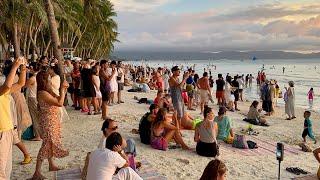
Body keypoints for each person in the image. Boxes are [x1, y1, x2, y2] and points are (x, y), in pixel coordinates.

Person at [31, 71, 69, 179]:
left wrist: (64, 89)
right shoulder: (42, 93)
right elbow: (59, 103)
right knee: (46, 144)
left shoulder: (48, 91)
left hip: (53, 120)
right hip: (48, 121)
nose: (50, 80)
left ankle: (51, 165)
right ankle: (37, 172)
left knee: (50, 143)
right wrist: (62, 89)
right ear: (44, 80)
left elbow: (59, 98)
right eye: (48, 78)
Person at [0, 57, 26, 179]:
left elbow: (21, 84)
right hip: (1, 132)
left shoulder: (3, 91)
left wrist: (23, 68)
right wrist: (15, 67)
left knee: (6, 167)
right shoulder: (2, 89)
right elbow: (6, 86)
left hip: (7, 130)